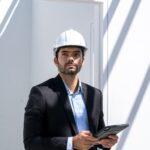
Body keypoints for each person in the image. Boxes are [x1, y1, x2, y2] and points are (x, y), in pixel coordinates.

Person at [23, 29, 118, 150]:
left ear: (83, 61)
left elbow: (97, 137)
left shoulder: (95, 94)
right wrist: (71, 143)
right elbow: (31, 143)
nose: (71, 58)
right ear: (56, 60)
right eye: (65, 53)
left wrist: (105, 143)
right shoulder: (41, 93)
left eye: (76, 54)